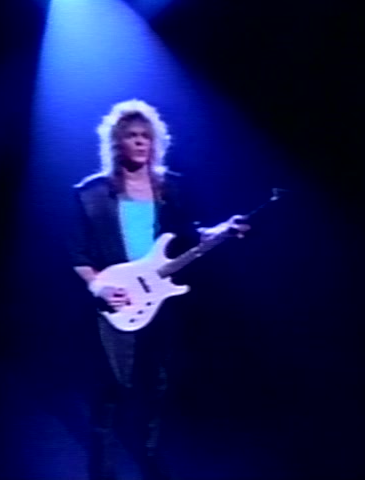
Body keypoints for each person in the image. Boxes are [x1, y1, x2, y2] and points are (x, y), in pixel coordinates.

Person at [67, 99, 249, 480]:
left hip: (158, 301)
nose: (140, 142)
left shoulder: (170, 188)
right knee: (113, 387)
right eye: (131, 136)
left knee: (157, 384)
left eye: (145, 136)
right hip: (116, 303)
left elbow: (191, 234)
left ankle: (149, 459)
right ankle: (101, 472)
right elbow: (79, 256)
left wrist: (223, 230)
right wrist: (101, 288)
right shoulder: (92, 194)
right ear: (117, 143)